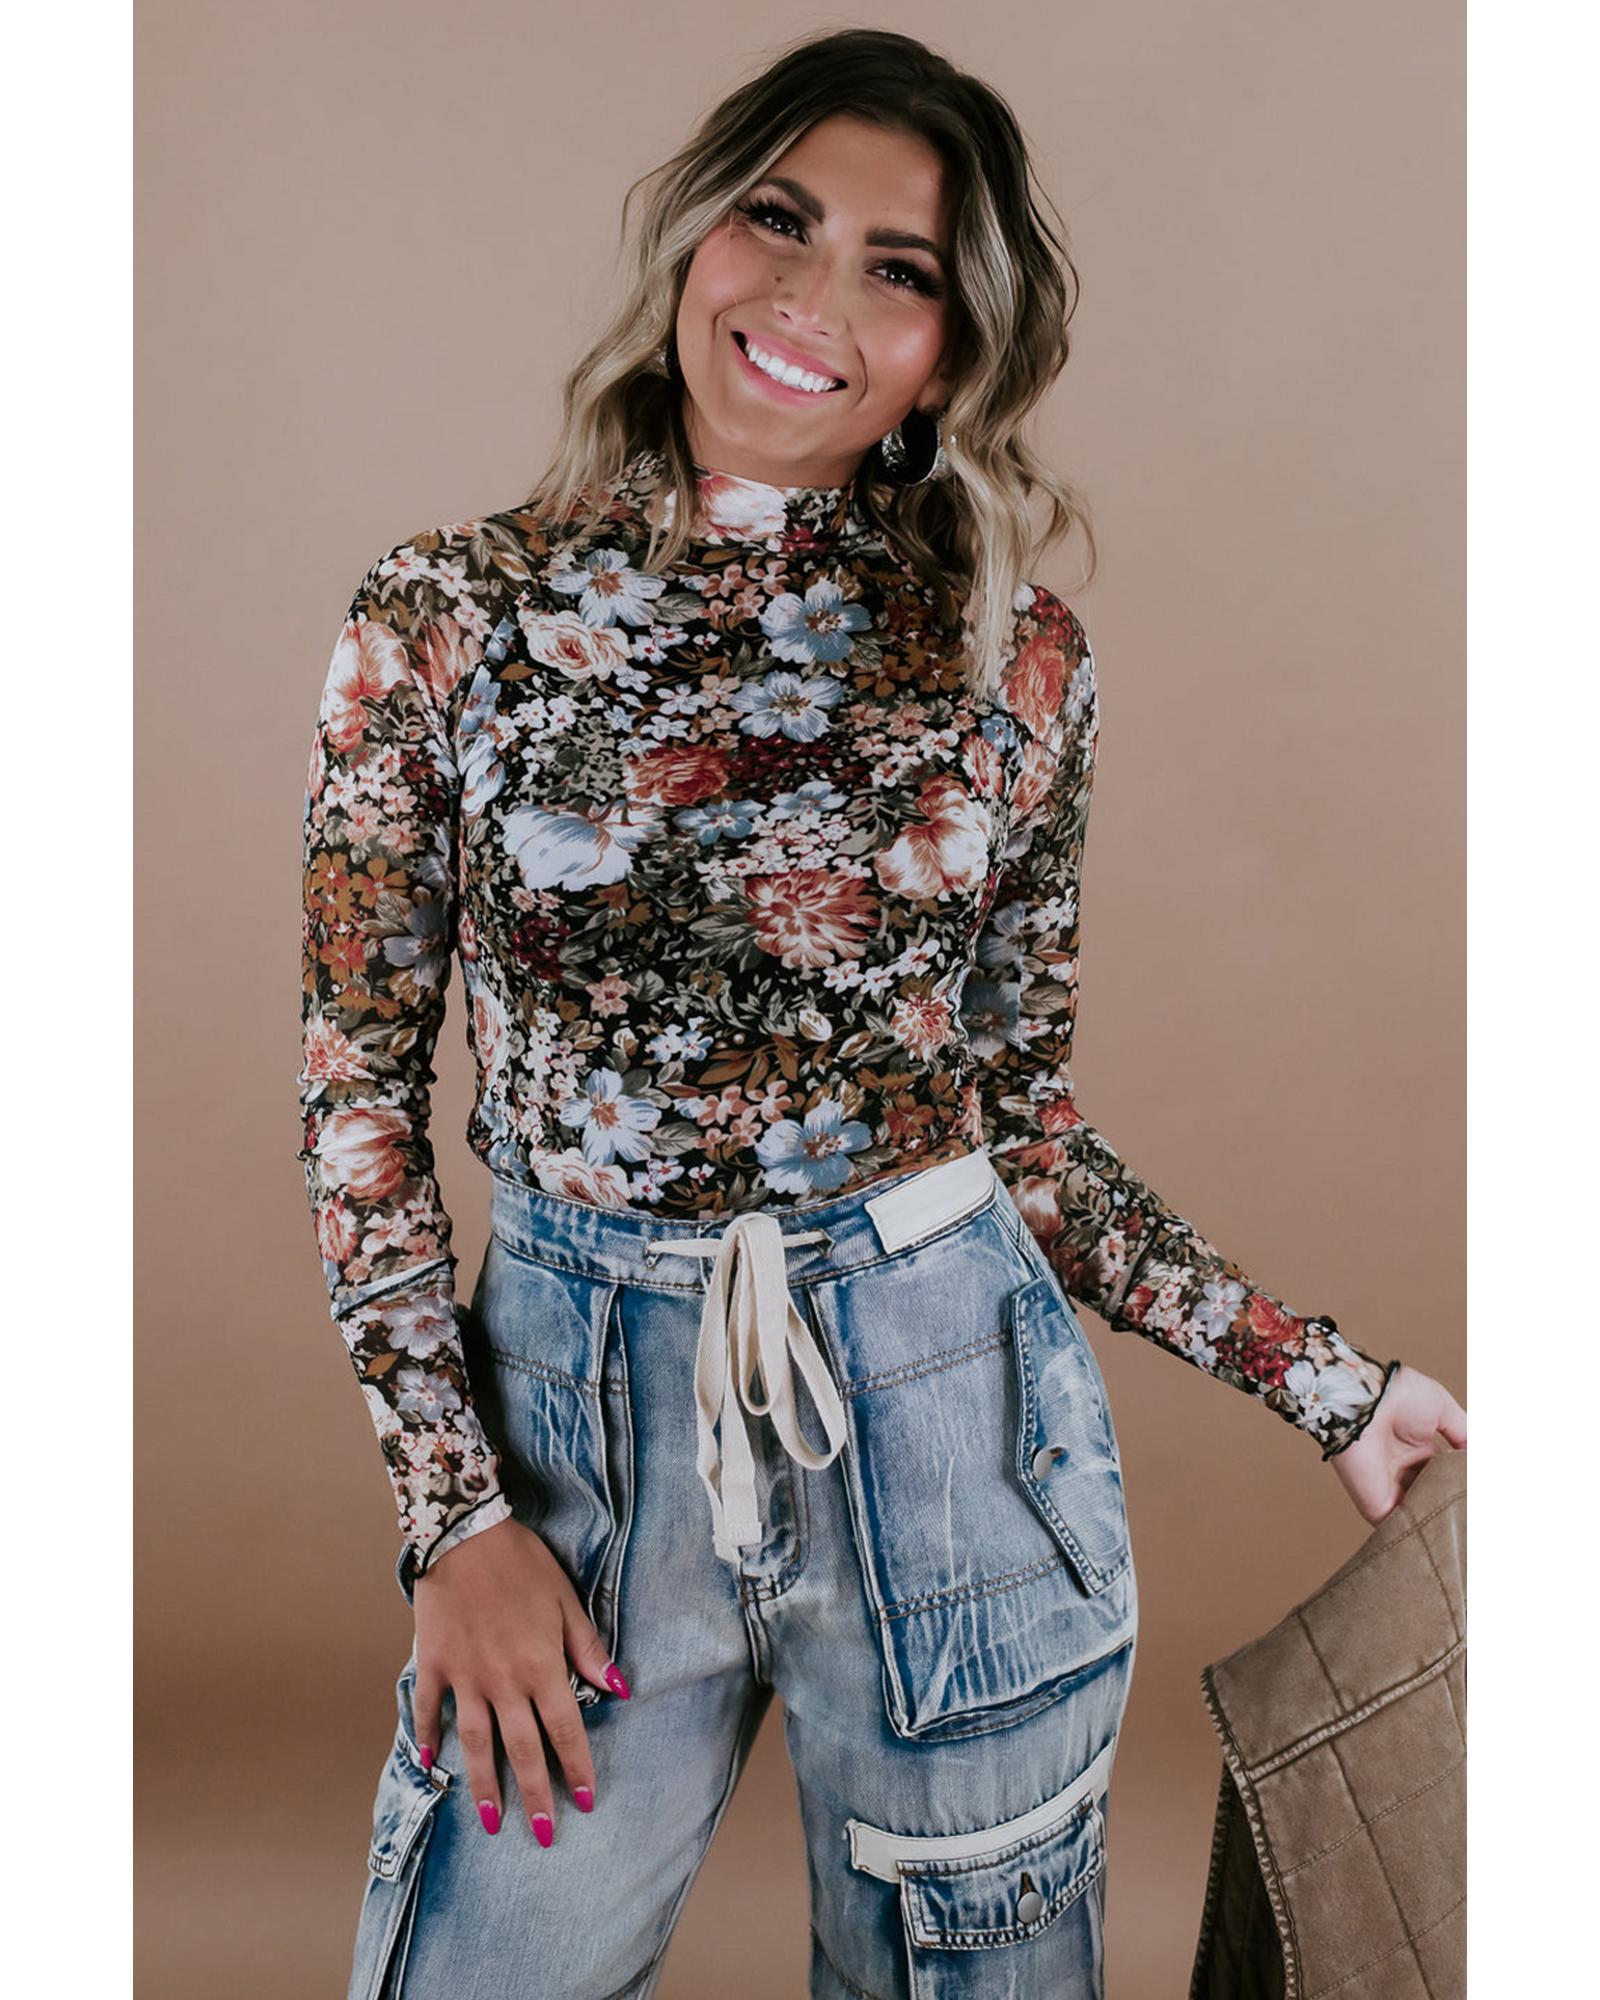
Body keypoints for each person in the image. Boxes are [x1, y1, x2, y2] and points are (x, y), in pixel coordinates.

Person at [297, 27, 1467, 2000]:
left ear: (949, 352)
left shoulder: (1014, 659)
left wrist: (1325, 1381)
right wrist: (454, 1518)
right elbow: (356, 1094)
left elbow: (1019, 1126)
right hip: (580, 1436)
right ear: (695, 234)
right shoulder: (454, 615)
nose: (811, 299)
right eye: (778, 218)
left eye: (896, 268)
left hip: (949, 1426)